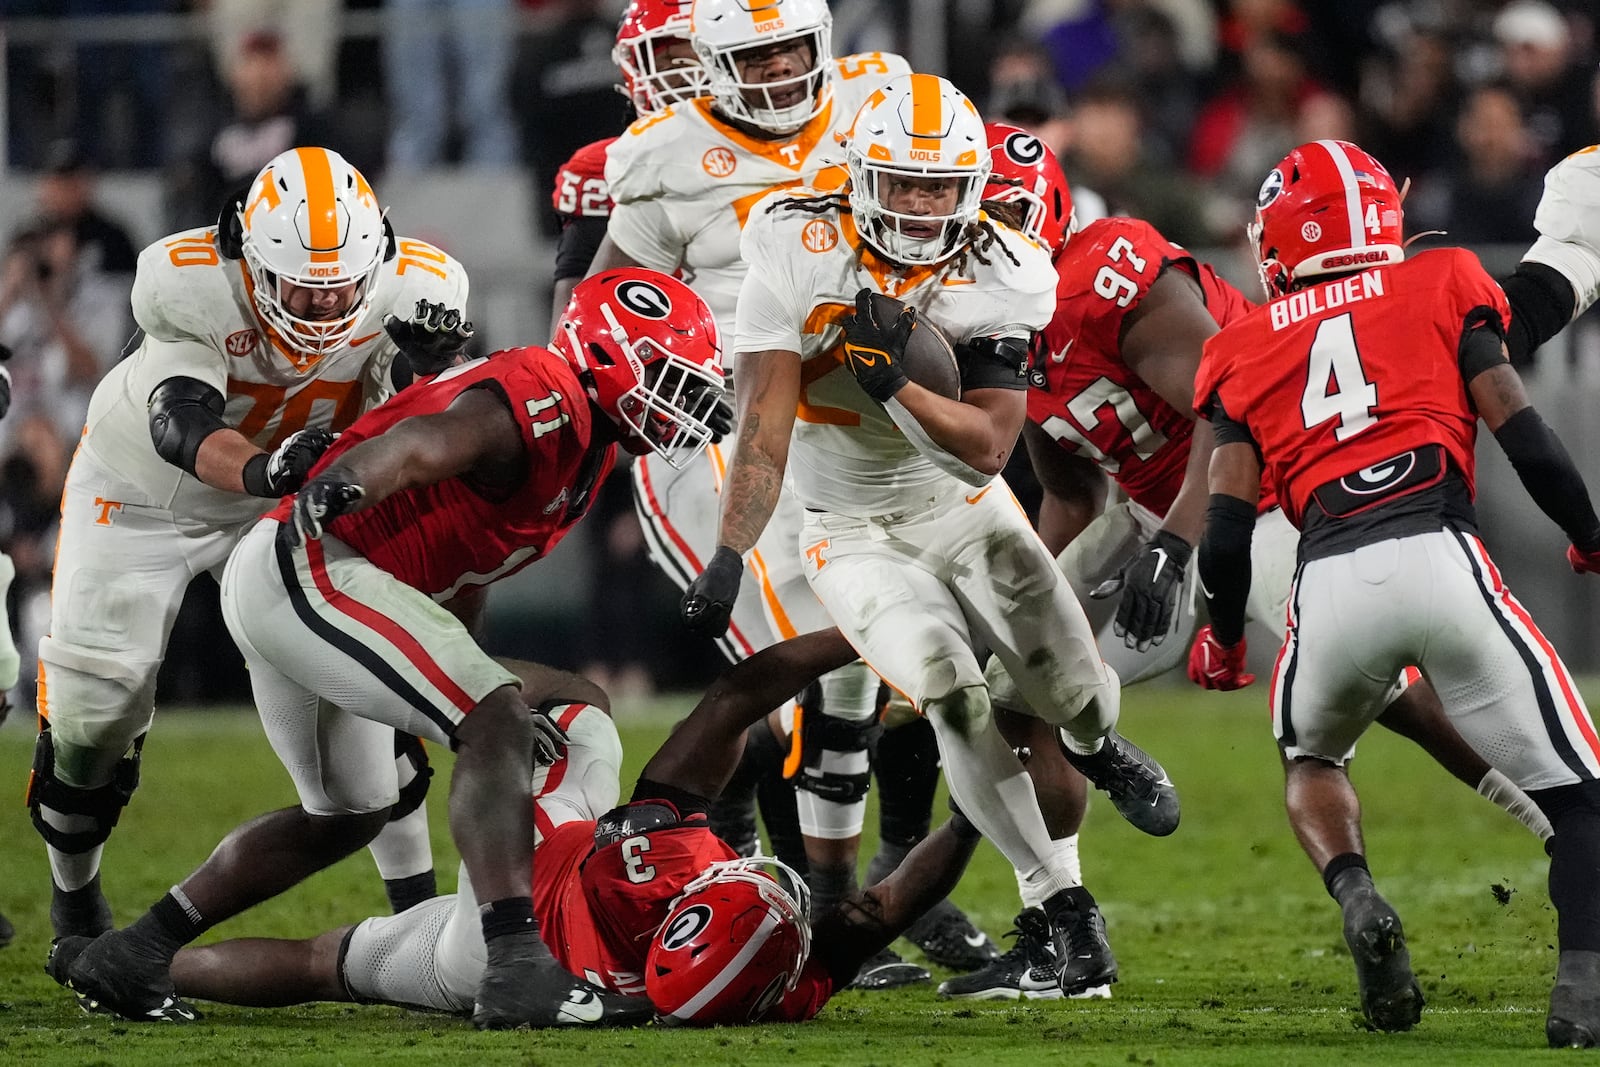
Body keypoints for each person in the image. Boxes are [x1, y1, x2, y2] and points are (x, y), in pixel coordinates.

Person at [50, 267, 730, 1028]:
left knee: (349, 812)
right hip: (315, 556)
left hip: (309, 577)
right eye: (672, 379)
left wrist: (455, 688)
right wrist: (349, 482)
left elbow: (468, 572)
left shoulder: (587, 453)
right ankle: (514, 964)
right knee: (497, 714)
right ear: (605, 358)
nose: (684, 407)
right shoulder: (548, 392)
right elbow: (423, 443)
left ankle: (136, 952)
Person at [681, 71, 1180, 1000]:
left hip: (961, 507)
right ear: (861, 177)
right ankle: (1060, 902)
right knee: (949, 692)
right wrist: (726, 548)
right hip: (848, 529)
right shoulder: (796, 243)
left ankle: (1097, 743)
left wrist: (895, 385)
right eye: (903, 183)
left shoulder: (1002, 266)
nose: (918, 205)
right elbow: (762, 424)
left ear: (969, 190)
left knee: (1071, 684)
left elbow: (989, 450)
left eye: (937, 187)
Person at [591, 0, 988, 985]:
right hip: (721, 432)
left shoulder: (879, 99)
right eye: (752, 53)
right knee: (803, 657)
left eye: (790, 49)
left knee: (890, 658)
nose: (775, 72)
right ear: (707, 61)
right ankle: (790, 897)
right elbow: (600, 307)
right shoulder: (658, 155)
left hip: (862, 419)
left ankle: (813, 890)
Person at [51, 628, 984, 1026]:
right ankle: (121, 965)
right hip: (487, 969)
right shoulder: (763, 987)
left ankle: (416, 681)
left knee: (568, 707)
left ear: (697, 892)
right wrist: (983, 809)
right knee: (317, 968)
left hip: (518, 906)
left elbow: (741, 691)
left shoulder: (653, 862)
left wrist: (871, 632)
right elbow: (890, 903)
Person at [1190, 138, 1600, 1044]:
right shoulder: (1444, 277)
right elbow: (1523, 431)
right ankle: (1582, 995)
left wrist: (1223, 636)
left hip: (1327, 582)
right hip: (1442, 557)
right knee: (1581, 797)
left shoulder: (1240, 343)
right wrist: (1588, 534)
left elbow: (1226, 528)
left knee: (1313, 761)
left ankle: (1357, 889)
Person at [30, 147, 467, 947]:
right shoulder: (190, 282)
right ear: (250, 258)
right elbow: (180, 420)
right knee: (97, 709)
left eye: (341, 282)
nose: (323, 300)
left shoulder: (418, 287)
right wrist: (268, 467)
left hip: (286, 502)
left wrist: (424, 375)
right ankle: (75, 900)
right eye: (301, 282)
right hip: (144, 496)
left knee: (359, 693)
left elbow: (417, 424)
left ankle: (417, 917)